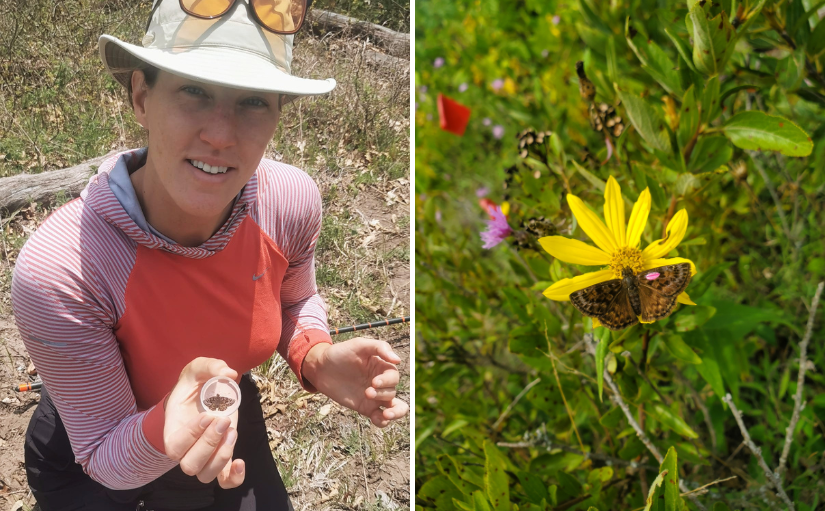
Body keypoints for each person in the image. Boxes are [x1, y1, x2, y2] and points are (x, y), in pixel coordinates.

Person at [10, 0, 409, 509]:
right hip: (95, 460)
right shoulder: (64, 267)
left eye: (253, 102)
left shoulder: (288, 202)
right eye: (193, 92)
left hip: (222, 417)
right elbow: (102, 449)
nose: (220, 135)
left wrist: (313, 354)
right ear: (140, 97)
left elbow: (295, 300)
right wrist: (162, 432)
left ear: (277, 115)